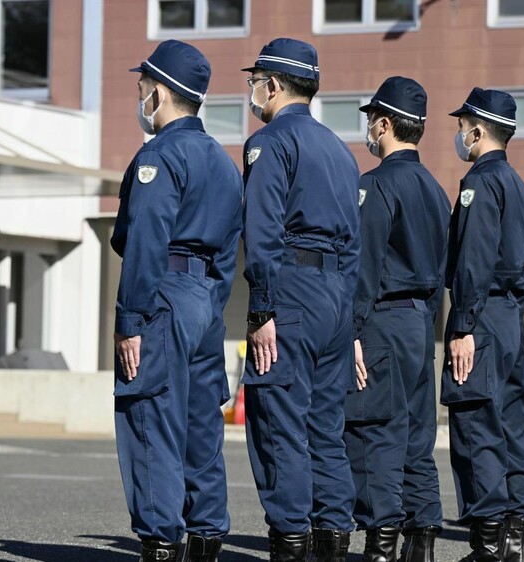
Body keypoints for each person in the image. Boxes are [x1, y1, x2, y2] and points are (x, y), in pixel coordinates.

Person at [112, 40, 243, 562]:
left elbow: (144, 237)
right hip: (206, 297)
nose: (140, 94)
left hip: (162, 294)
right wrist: (213, 305)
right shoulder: (224, 161)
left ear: (160, 93)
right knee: (200, 422)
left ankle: (161, 542)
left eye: (143, 86)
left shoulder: (160, 155)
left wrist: (129, 320)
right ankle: (207, 534)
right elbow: (231, 249)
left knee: (150, 419)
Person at [239, 38, 359, 562]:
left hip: (291, 289)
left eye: (256, 79)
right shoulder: (340, 149)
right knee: (326, 428)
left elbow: (261, 231)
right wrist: (350, 324)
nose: (252, 89)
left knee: (279, 423)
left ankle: (289, 542)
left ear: (275, 84)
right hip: (335, 296)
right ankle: (333, 542)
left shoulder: (269, 142)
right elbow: (355, 245)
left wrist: (262, 309)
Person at [343, 76, 450, 562]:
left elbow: (363, 267)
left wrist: (354, 332)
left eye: (370, 119)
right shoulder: (436, 188)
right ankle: (422, 539)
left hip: (382, 319)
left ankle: (381, 545)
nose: (368, 128)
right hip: (418, 322)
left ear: (384, 124)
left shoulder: (376, 184)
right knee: (417, 435)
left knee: (374, 434)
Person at [443, 87, 524, 562]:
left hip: (478, 318)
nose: (459, 134)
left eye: (462, 126)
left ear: (478, 131)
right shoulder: (520, 185)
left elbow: (473, 260)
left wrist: (462, 326)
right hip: (508, 320)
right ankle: (514, 540)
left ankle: (487, 546)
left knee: (477, 427)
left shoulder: (479, 183)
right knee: (512, 425)